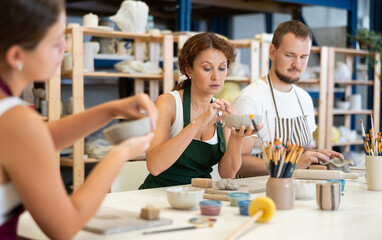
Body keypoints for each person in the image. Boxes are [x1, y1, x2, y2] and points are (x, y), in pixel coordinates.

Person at [0, 0, 157, 238]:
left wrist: (111, 110)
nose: (65, 47)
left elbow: (37, 142)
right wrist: (119, 154)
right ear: (16, 55)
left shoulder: (12, 117)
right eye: (56, 42)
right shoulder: (18, 122)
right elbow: (65, 227)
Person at [139, 33, 257, 189]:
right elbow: (154, 166)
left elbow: (227, 174)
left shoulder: (226, 111)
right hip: (158, 194)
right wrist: (199, 122)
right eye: (207, 68)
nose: (216, 76)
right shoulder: (168, 103)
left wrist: (237, 139)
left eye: (222, 68)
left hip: (201, 194)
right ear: (189, 69)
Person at [232, 20, 344, 177]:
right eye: (290, 55)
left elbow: (301, 151)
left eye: (304, 57)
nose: (297, 64)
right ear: (272, 52)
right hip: (257, 193)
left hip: (294, 188)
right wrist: (291, 164)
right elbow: (238, 163)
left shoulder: (304, 99)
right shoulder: (250, 99)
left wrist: (316, 156)